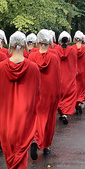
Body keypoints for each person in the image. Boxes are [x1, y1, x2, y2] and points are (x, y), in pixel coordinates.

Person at [0, 31, 40, 169]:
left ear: (10, 46)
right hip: (25, 110)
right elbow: (36, 91)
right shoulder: (33, 68)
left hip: (6, 112)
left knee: (9, 144)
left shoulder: (0, 68)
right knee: (23, 143)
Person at [28, 29, 61, 157]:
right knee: (49, 119)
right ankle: (46, 144)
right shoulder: (54, 57)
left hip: (36, 91)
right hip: (51, 92)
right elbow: (57, 77)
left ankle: (35, 138)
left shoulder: (31, 56)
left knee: (36, 117)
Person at [56, 30, 79, 125]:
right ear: (69, 40)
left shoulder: (56, 50)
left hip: (59, 76)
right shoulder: (72, 51)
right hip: (69, 76)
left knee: (59, 96)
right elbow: (74, 64)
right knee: (69, 95)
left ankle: (61, 112)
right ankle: (65, 113)